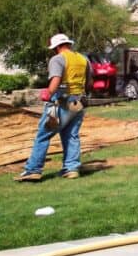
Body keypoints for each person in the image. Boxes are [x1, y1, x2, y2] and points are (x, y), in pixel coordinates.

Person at [14, 34, 89, 182]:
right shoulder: (83, 59)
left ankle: (33, 170)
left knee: (43, 135)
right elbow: (89, 81)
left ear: (57, 47)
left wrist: (48, 93)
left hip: (59, 102)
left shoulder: (58, 59)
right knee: (71, 135)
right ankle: (71, 168)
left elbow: (56, 78)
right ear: (69, 44)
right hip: (79, 101)